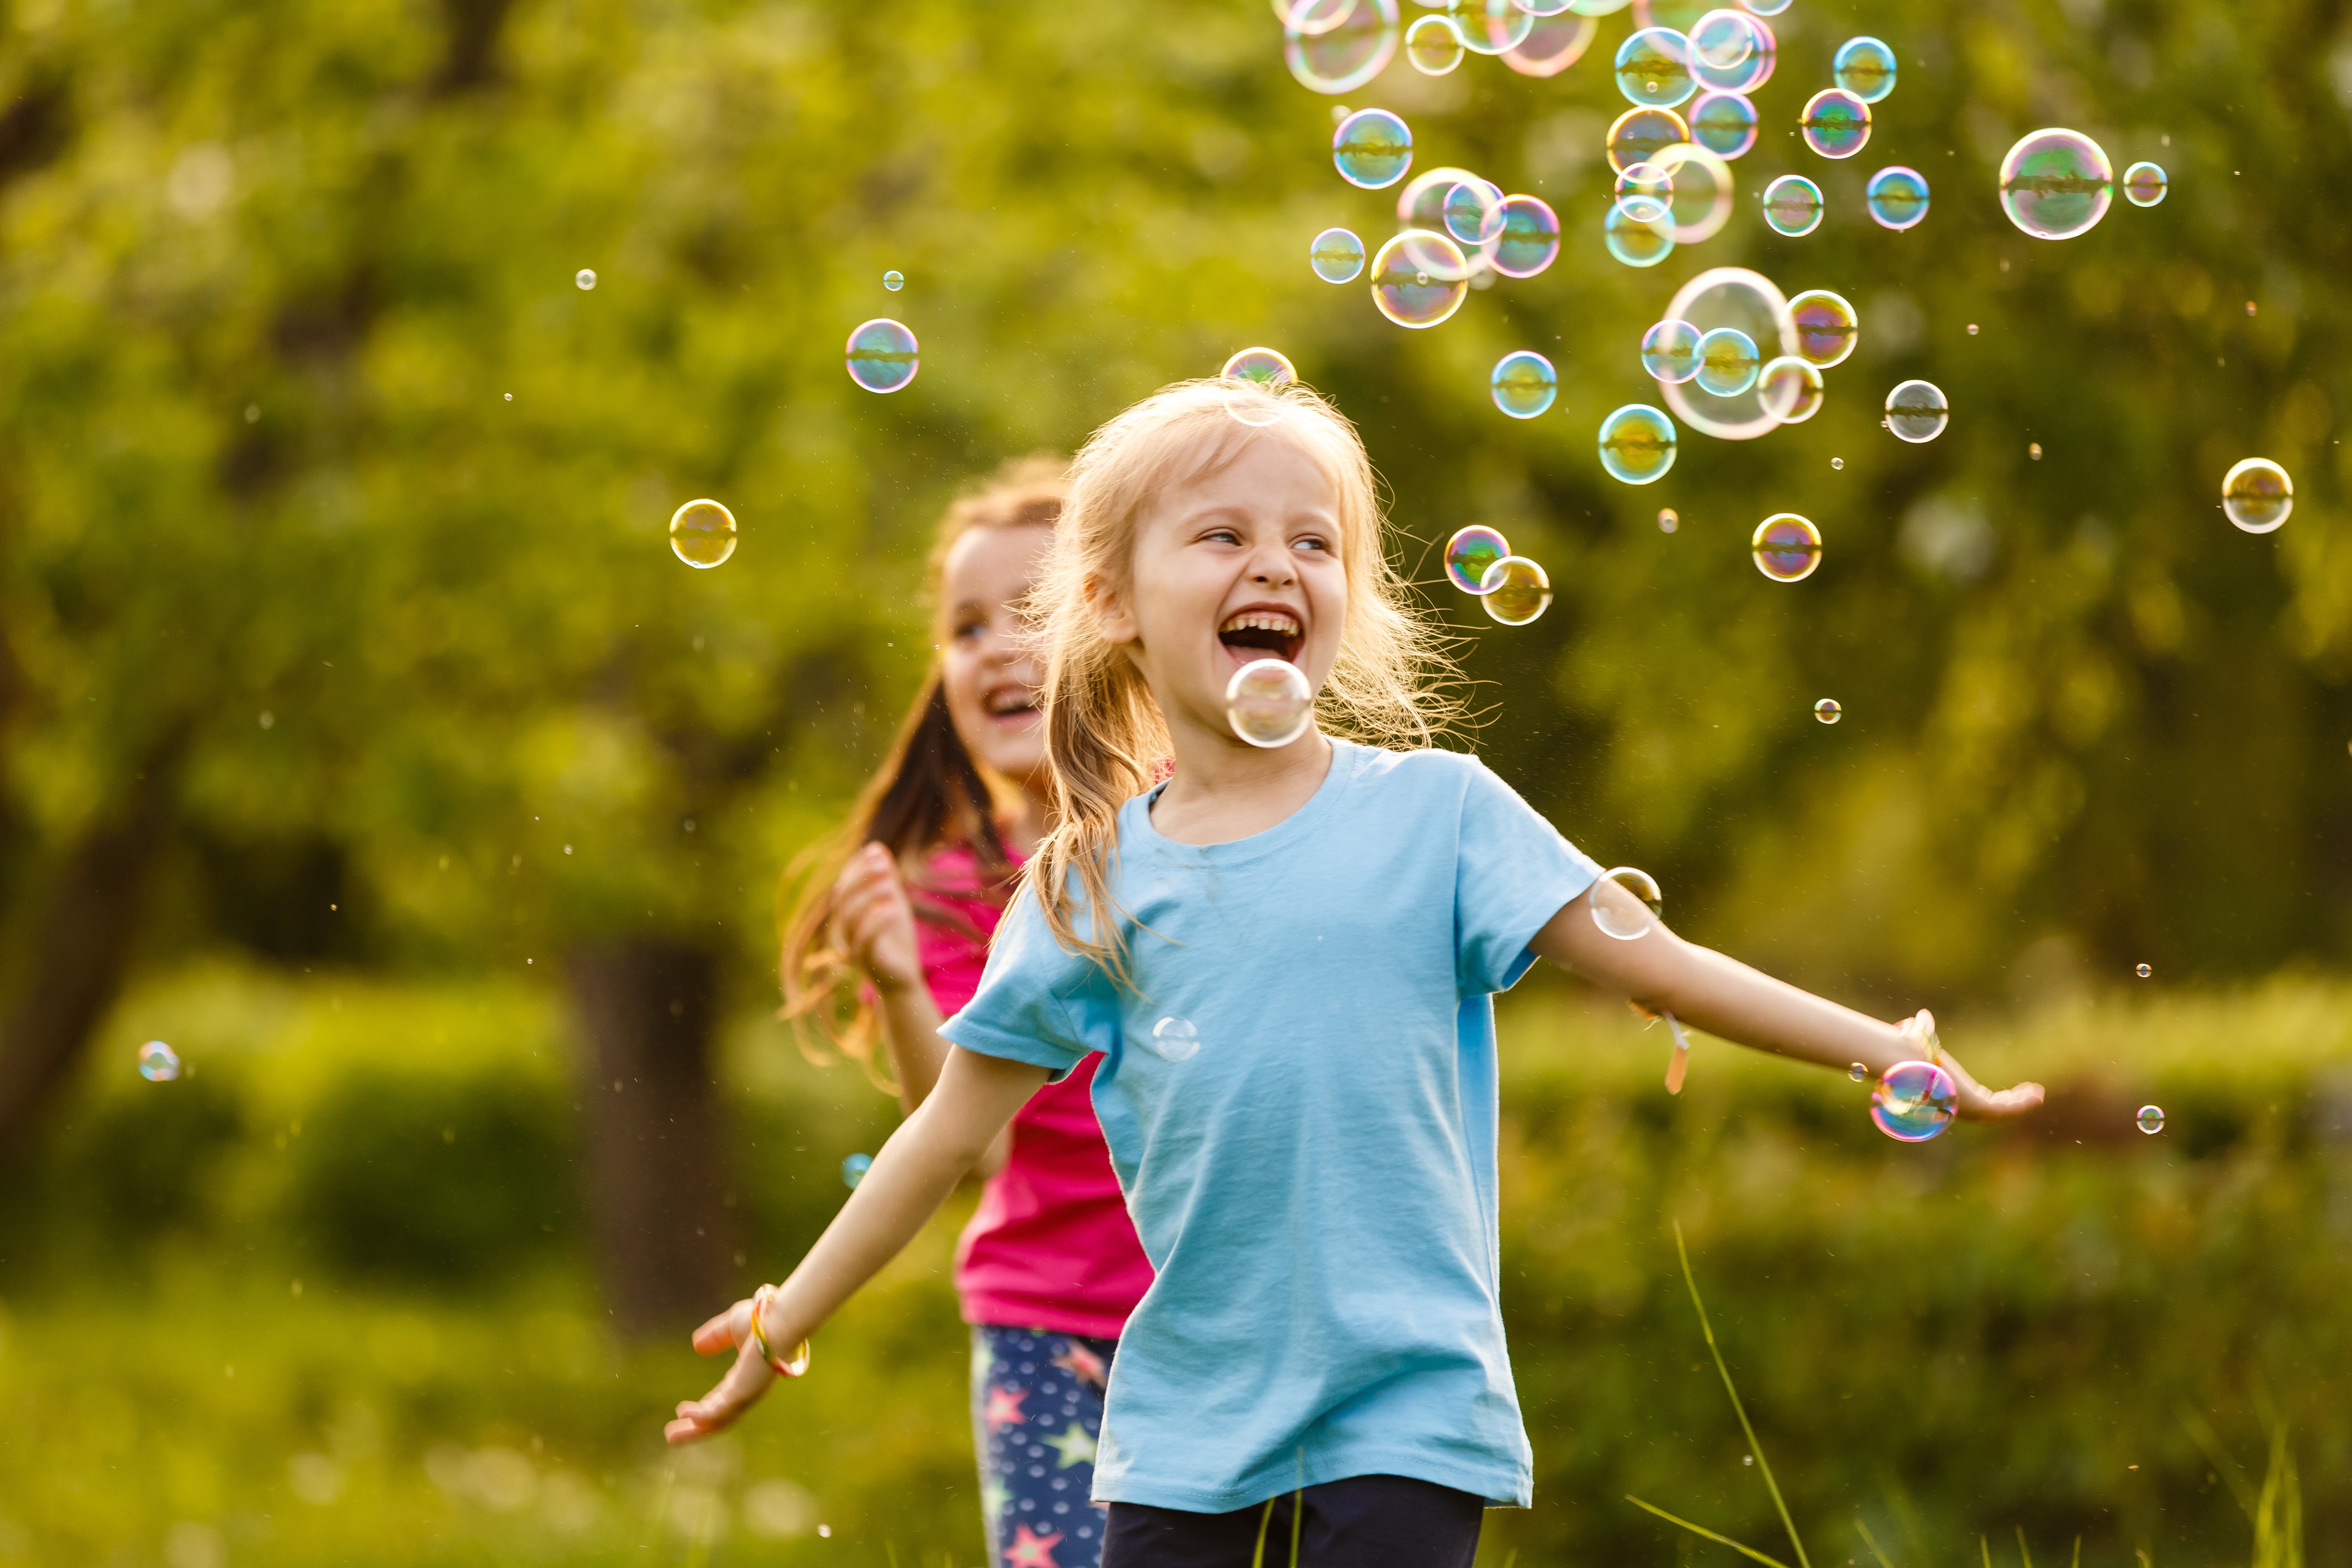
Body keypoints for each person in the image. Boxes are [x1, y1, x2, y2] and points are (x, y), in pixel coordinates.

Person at [676, 381, 2043, 1567]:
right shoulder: (1087, 885)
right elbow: (942, 1138)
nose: (1276, 566)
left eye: (1313, 541)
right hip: (1187, 1417)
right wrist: (788, 1316)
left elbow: (1669, 971)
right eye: (1223, 536)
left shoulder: (1442, 815)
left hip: (1408, 1399)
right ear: (1110, 602)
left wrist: (1887, 1047)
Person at [776, 457, 1152, 1568]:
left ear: (1116, 627)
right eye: (966, 626)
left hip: (1228, 1307)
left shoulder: (1205, 827)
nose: (996, 646)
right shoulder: (947, 890)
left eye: (1030, 611)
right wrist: (899, 984)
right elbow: (974, 1145)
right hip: (1047, 1324)